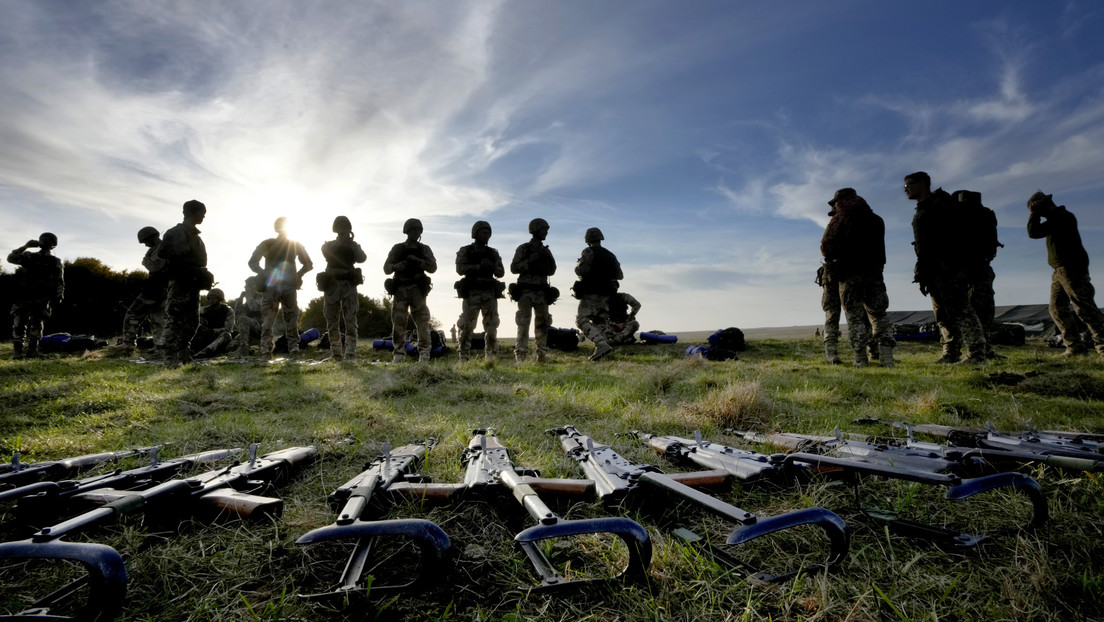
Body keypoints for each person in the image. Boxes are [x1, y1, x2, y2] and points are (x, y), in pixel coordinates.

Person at [905, 172, 987, 363]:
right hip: (933, 270)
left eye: (909, 184)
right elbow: (924, 246)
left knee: (961, 310)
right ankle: (950, 352)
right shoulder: (926, 208)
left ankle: (977, 354)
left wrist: (952, 265)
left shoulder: (942, 207)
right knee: (941, 312)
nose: (906, 189)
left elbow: (950, 240)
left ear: (923, 184)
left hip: (949, 268)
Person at [821, 188, 895, 367]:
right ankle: (887, 358)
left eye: (836, 202)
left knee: (854, 317)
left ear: (841, 201)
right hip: (875, 275)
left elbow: (826, 246)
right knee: (878, 315)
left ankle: (860, 359)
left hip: (849, 275)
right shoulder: (877, 220)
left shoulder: (840, 219)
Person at [1026, 191, 1104, 357]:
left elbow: (1033, 232)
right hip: (1060, 270)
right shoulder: (1057, 218)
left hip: (1071, 268)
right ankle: (1074, 347)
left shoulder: (1061, 217)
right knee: (1057, 308)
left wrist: (1033, 215)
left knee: (1085, 308)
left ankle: (1102, 346)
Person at [154, 199, 212, 366]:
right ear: (193, 213)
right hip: (180, 281)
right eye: (202, 213)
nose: (204, 217)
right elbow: (163, 253)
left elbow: (201, 261)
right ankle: (169, 356)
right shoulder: (174, 232)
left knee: (193, 321)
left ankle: (183, 351)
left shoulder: (196, 236)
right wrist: (178, 251)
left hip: (194, 282)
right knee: (175, 318)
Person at [248, 217, 313, 359]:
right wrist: (298, 275)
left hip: (277, 286)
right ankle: (291, 347)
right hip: (284, 285)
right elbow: (308, 264)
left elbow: (252, 262)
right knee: (287, 317)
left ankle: (268, 348)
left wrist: (263, 272)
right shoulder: (293, 244)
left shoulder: (269, 244)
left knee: (274, 318)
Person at [955, 190, 1003, 358]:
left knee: (974, 308)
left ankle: (977, 350)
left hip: (972, 267)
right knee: (979, 308)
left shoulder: (961, 215)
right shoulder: (985, 215)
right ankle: (979, 349)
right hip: (976, 266)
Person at [383, 218, 437, 362]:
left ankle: (424, 355)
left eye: (418, 230)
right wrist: (396, 266)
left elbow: (432, 267)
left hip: (417, 290)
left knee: (423, 323)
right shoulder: (397, 248)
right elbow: (386, 268)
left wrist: (418, 261)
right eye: (413, 229)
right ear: (407, 231)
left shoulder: (424, 249)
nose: (416, 232)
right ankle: (399, 355)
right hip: (401, 288)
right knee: (398, 323)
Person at [7, 232, 64, 359]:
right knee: (19, 324)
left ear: (53, 245)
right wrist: (25, 246)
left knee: (37, 325)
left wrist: (59, 294)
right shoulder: (29, 256)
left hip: (42, 297)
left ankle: (32, 350)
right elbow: (11, 258)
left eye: (47, 240)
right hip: (24, 295)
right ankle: (17, 352)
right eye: (42, 239)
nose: (44, 241)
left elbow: (59, 280)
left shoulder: (55, 261)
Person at [455, 220, 504, 362]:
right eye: (484, 232)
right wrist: (478, 267)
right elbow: (460, 269)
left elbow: (501, 272)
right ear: (475, 233)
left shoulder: (493, 253)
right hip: (472, 293)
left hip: (489, 292)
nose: (487, 235)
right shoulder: (466, 250)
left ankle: (491, 358)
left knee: (492, 327)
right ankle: (463, 357)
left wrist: (493, 267)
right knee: (466, 327)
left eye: (489, 233)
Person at [319, 215, 366, 361]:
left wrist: (351, 244)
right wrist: (342, 244)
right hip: (332, 285)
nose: (343, 229)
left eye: (345, 227)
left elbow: (362, 258)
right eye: (340, 227)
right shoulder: (328, 245)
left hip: (348, 285)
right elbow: (328, 254)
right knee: (332, 321)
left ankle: (350, 353)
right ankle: (336, 354)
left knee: (350, 320)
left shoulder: (353, 245)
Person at [114, 226, 167, 356]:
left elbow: (156, 267)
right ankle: (160, 348)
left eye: (145, 241)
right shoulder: (157, 248)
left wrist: (145, 261)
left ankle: (128, 345)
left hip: (156, 288)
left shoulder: (161, 248)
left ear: (152, 237)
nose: (145, 245)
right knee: (158, 319)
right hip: (163, 288)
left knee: (132, 314)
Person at [511, 218, 557, 363]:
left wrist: (543, 259)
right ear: (536, 230)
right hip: (525, 292)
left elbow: (552, 270)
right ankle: (521, 356)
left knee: (543, 324)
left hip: (541, 292)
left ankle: (541, 355)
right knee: (523, 324)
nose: (546, 233)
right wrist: (531, 260)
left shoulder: (546, 251)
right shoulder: (524, 248)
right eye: (544, 230)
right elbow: (514, 268)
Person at [573, 227, 622, 361]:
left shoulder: (588, 252)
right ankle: (602, 351)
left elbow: (581, 270)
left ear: (588, 240)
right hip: (606, 294)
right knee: (599, 321)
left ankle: (601, 344)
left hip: (591, 292)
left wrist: (578, 266)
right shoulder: (610, 255)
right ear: (600, 238)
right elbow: (619, 275)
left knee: (581, 320)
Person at [192, 288, 236, 358]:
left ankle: (205, 352)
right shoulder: (205, 310)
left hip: (220, 337)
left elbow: (228, 329)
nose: (211, 300)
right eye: (209, 298)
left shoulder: (228, 310)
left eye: (213, 298)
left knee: (227, 335)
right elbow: (194, 316)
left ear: (219, 299)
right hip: (208, 336)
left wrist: (213, 331)